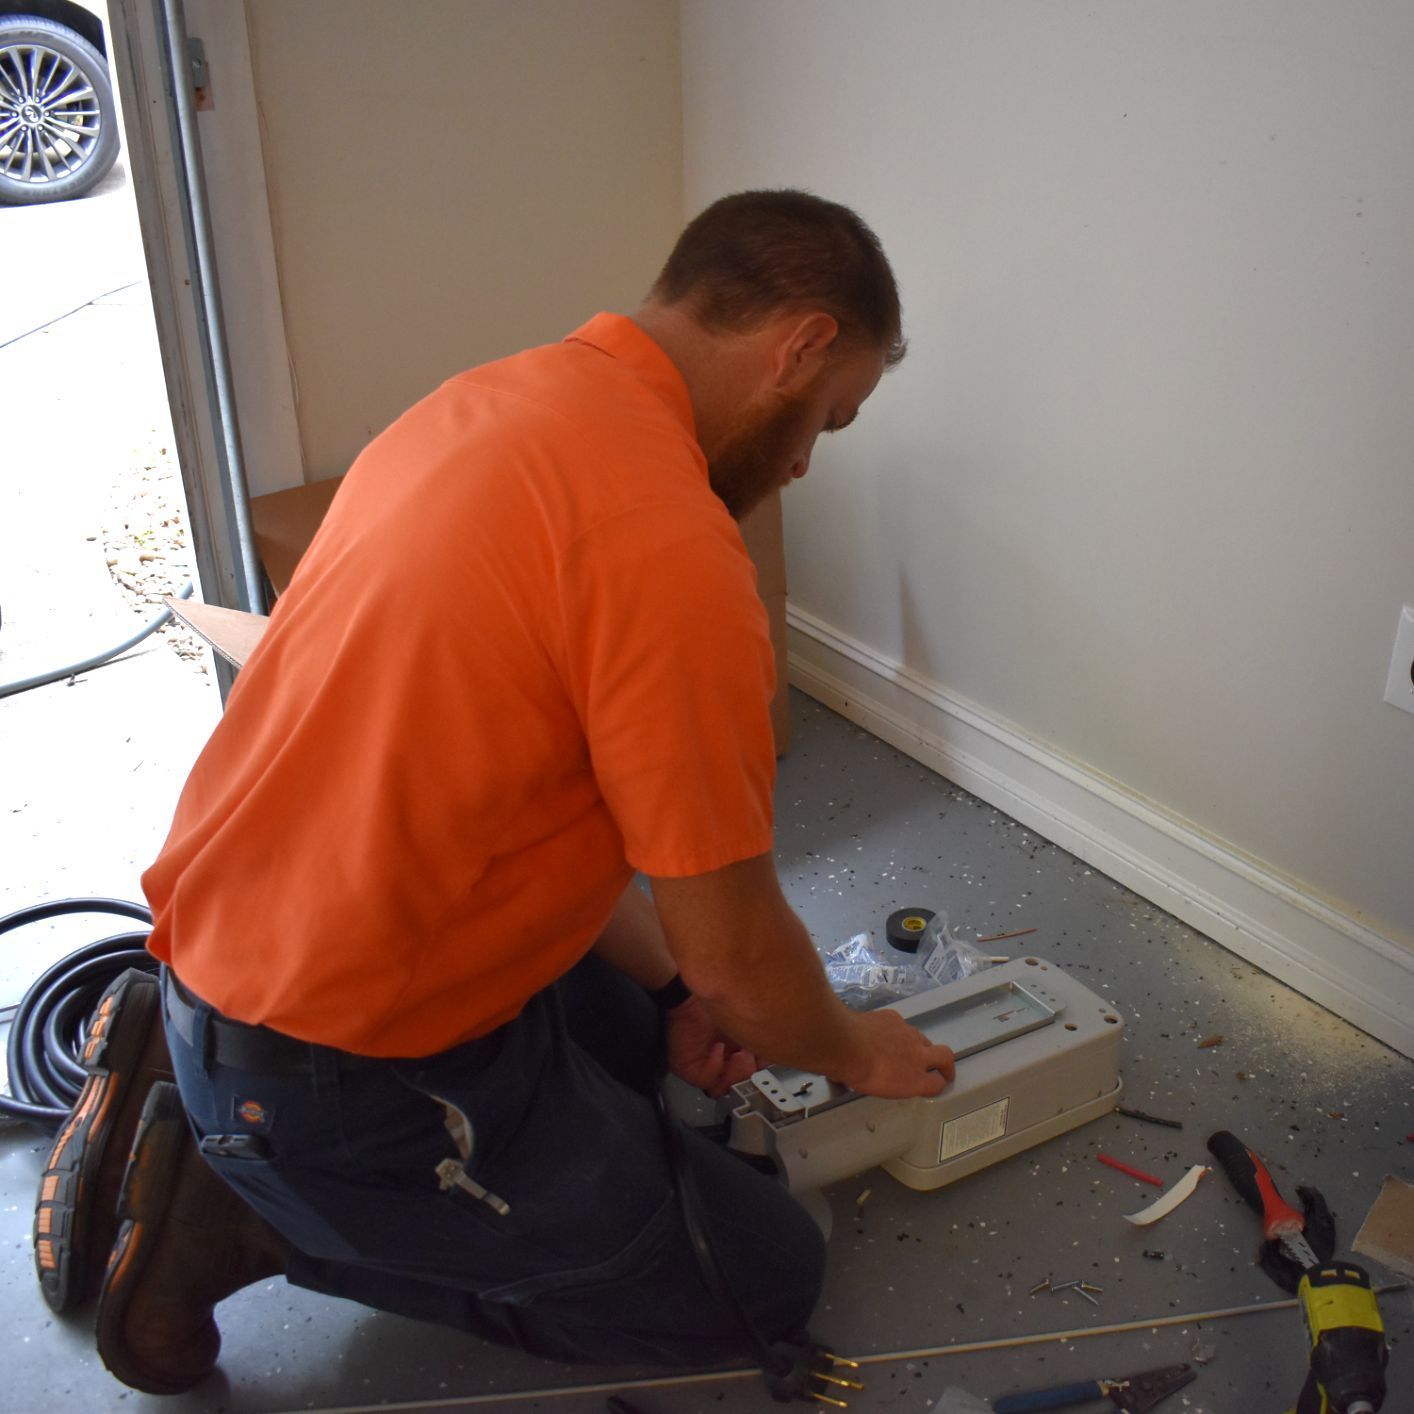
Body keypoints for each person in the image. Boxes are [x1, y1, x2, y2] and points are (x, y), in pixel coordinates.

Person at [38, 189, 957, 1395]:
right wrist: (854, 1049)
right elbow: (745, 963)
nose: (796, 461)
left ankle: (197, 1076)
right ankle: (243, 1220)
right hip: (327, 1061)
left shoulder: (490, 403)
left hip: (250, 940)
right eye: (824, 421)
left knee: (643, 1051)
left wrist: (682, 989)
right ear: (797, 344)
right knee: (762, 1275)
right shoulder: (670, 549)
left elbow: (588, 864)